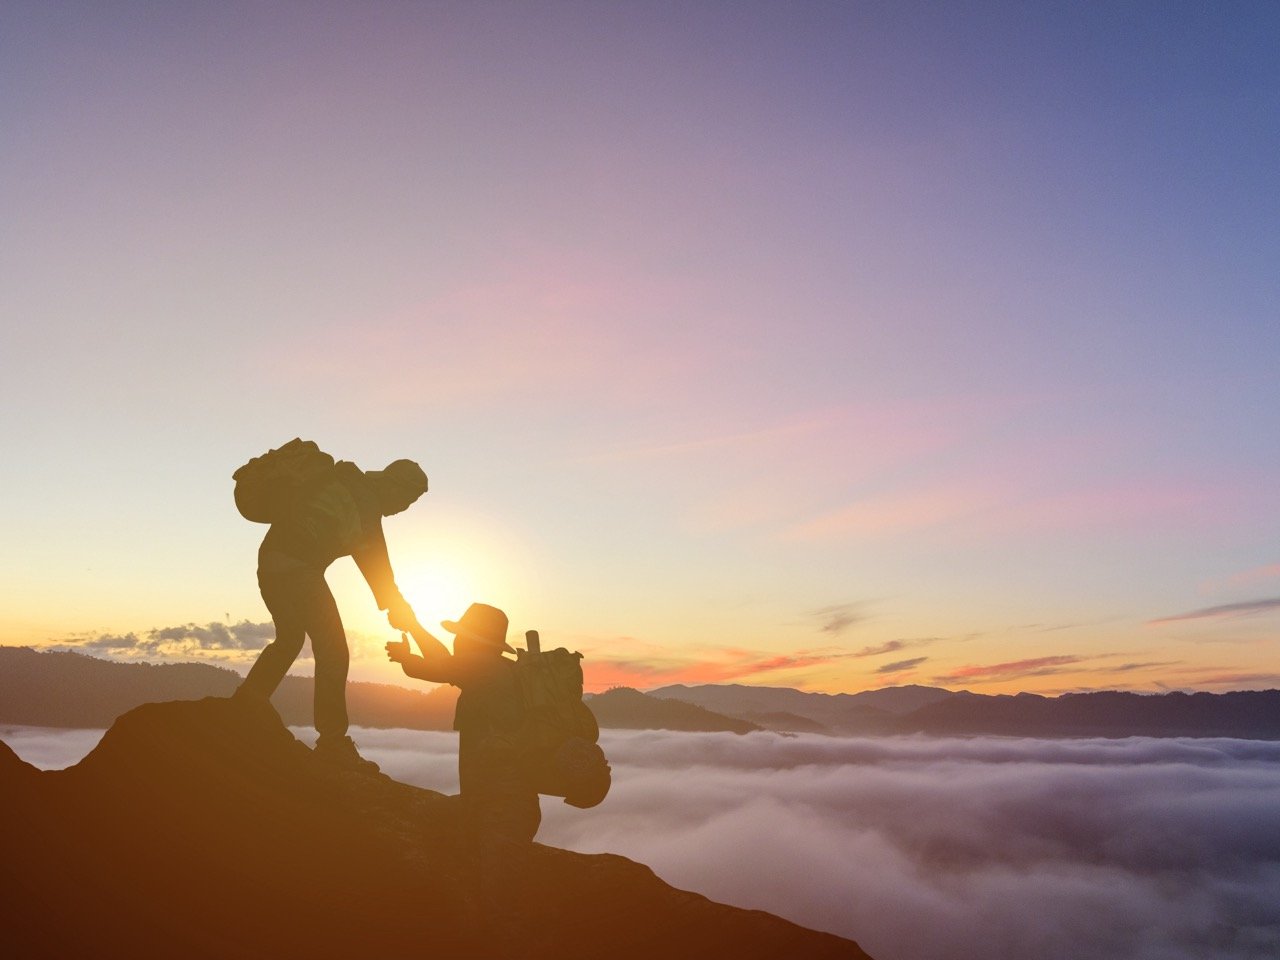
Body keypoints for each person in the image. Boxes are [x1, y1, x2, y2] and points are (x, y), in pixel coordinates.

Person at [236, 456, 428, 771]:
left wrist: (391, 602)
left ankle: (248, 701)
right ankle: (332, 741)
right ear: (391, 484)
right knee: (334, 651)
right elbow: (377, 567)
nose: (403, 508)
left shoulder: (344, 485)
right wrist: (396, 607)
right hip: (298, 569)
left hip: (270, 564)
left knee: (289, 639)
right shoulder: (365, 503)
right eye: (406, 499)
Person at [385, 603, 541, 882]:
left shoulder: (483, 666)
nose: (455, 639)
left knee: (501, 905)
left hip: (501, 809)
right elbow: (443, 661)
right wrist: (412, 627)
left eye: (459, 634)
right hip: (497, 803)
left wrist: (412, 635)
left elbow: (434, 666)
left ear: (472, 639)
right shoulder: (494, 668)